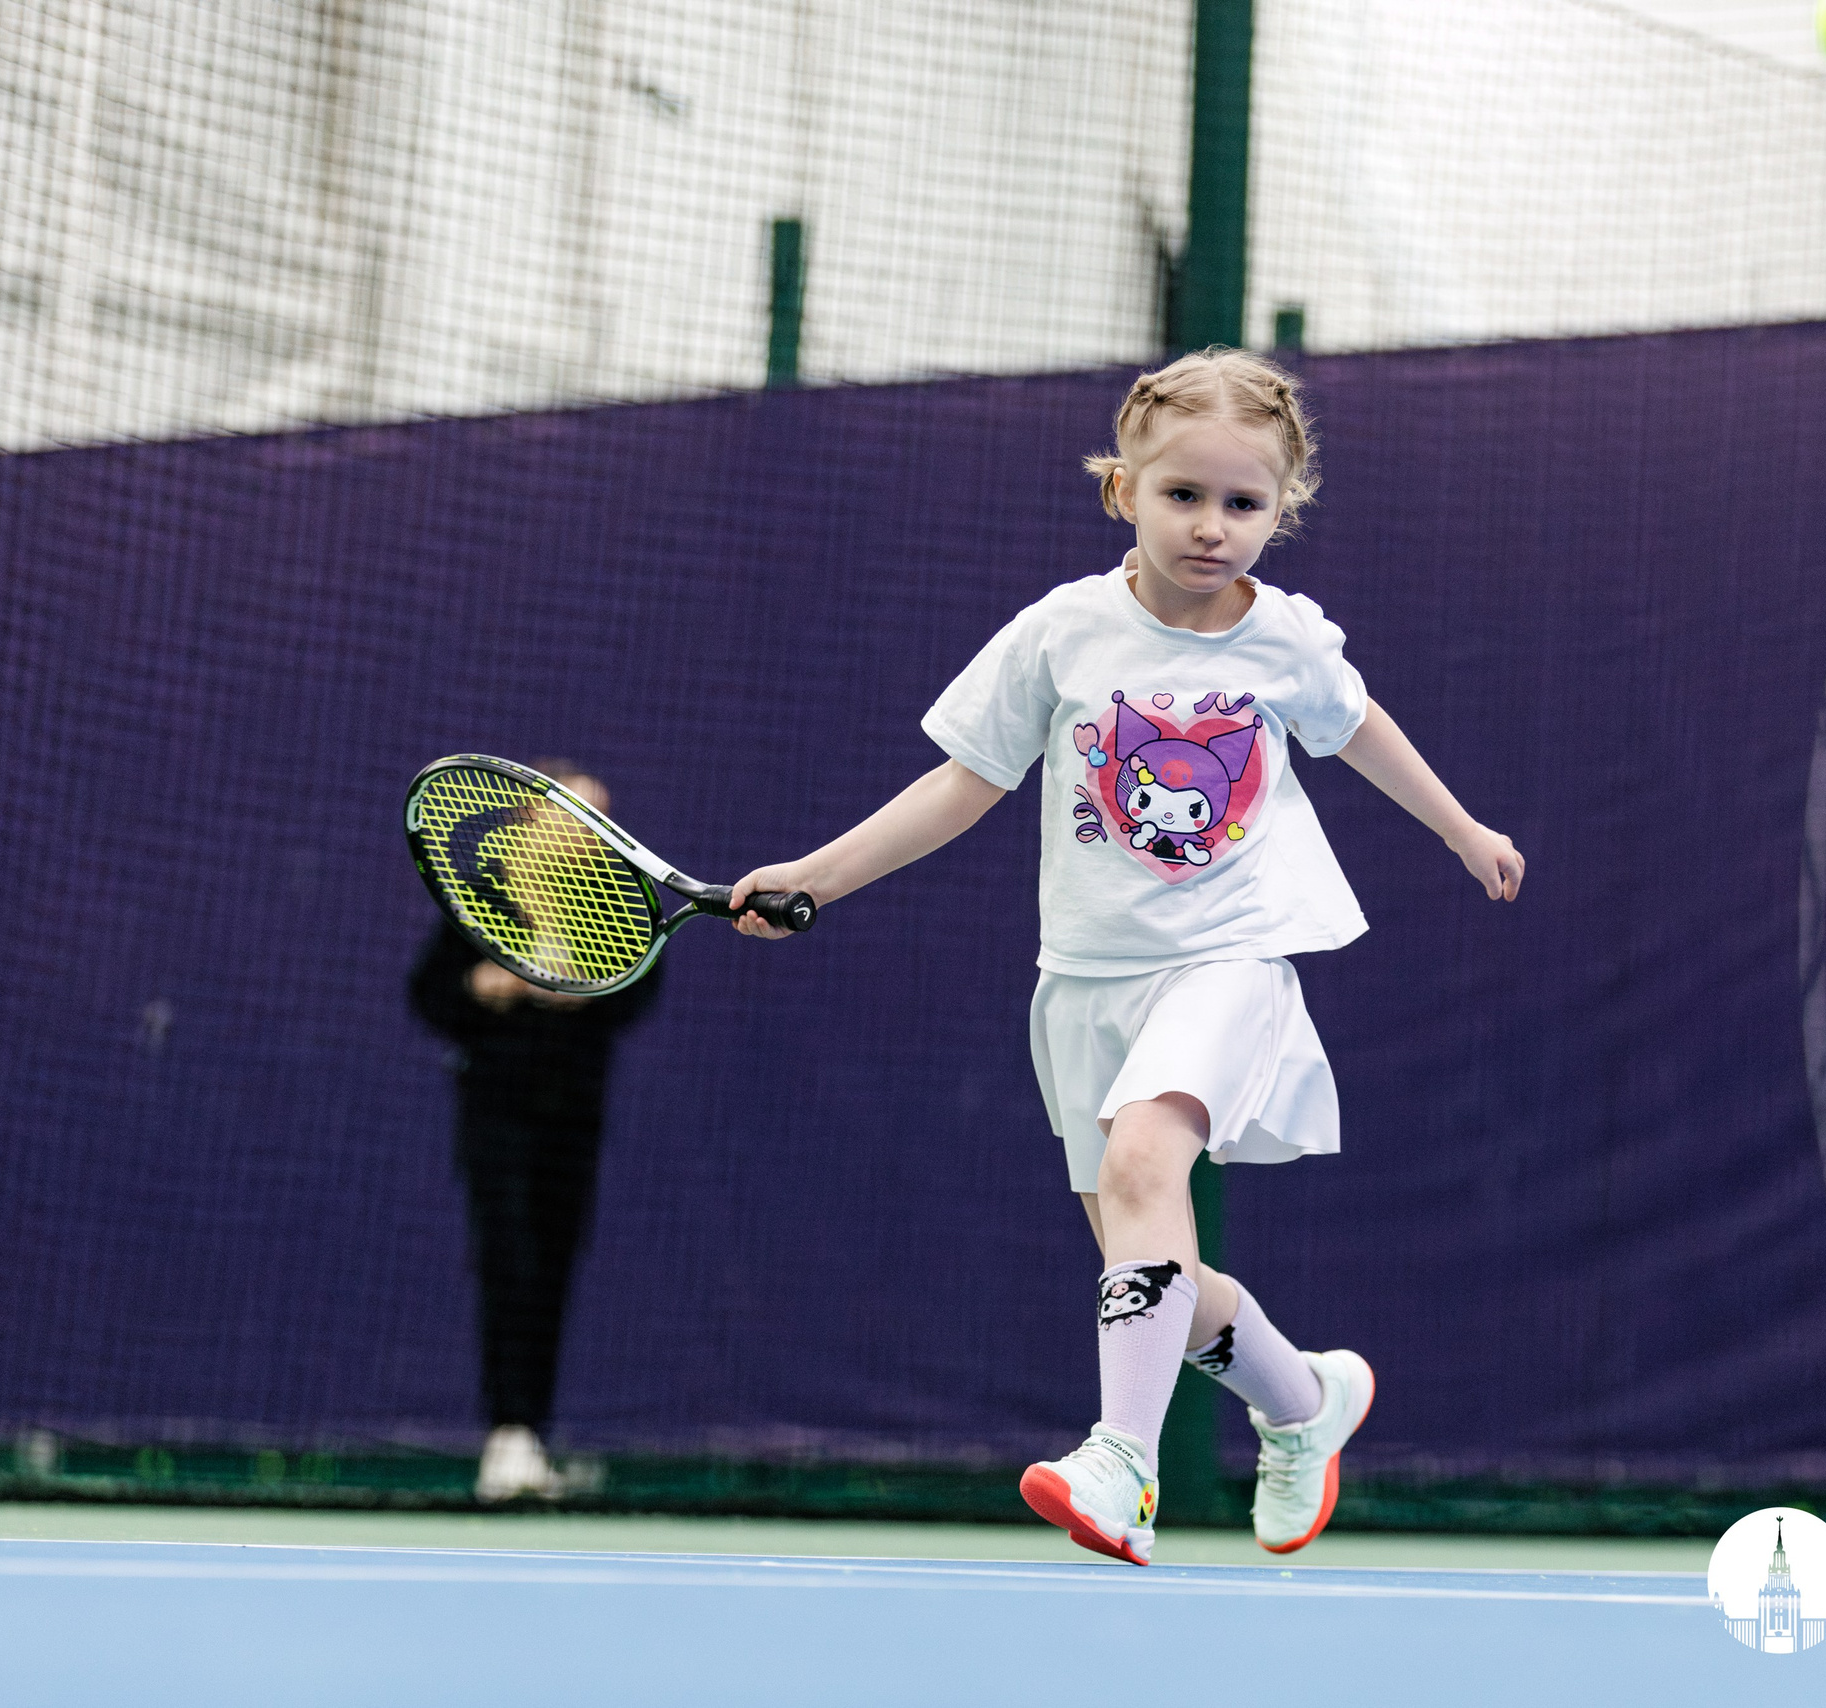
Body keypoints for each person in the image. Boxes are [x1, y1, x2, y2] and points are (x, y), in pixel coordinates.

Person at [723, 350, 1524, 1564]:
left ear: (1281, 509)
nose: (1212, 527)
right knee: (1149, 1264)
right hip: (1085, 982)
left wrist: (1463, 829)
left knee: (1152, 1158)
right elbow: (963, 783)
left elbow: (1359, 730)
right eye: (1182, 496)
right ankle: (1304, 1400)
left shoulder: (1285, 643)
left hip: (1232, 958)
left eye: (1243, 504)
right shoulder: (1061, 632)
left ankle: (1120, 1465)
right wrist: (814, 874)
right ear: (1123, 493)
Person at [408, 764, 664, 1502]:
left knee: (552, 1265)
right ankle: (506, 1437)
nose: (595, 830)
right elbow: (429, 994)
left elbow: (636, 993)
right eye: (580, 813)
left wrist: (577, 989)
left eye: (604, 818)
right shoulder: (480, 898)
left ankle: (531, 1438)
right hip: (495, 1112)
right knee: (509, 1261)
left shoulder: (614, 905)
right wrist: (488, 986)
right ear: (532, 818)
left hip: (574, 1116)